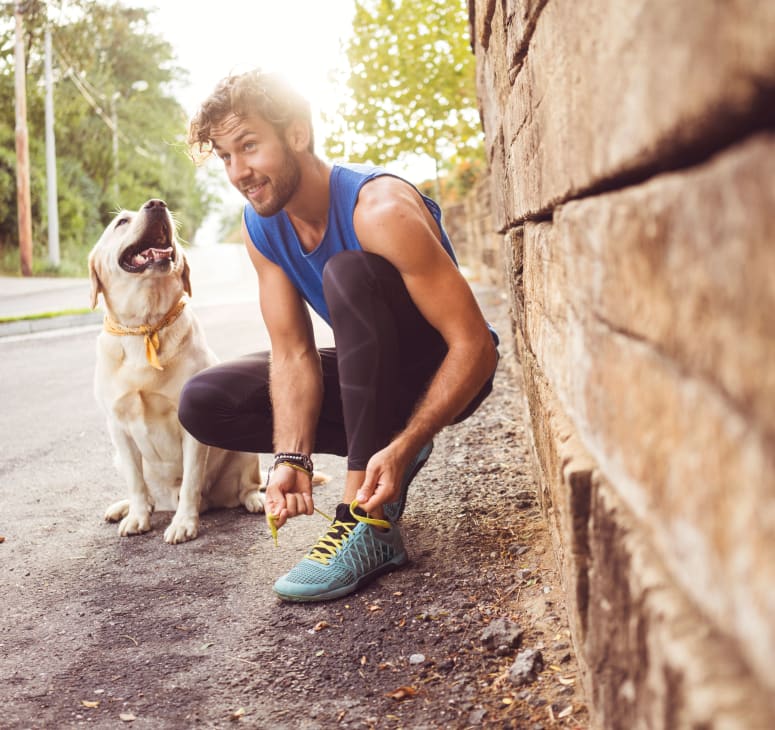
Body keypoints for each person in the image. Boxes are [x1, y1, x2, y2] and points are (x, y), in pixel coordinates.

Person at [179, 69, 499, 602]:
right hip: (371, 372)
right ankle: (377, 453)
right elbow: (293, 353)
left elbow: (476, 347)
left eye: (249, 146)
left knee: (347, 273)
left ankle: (365, 522)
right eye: (226, 156)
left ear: (297, 134)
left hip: (443, 371)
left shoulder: (380, 209)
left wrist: (408, 441)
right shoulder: (261, 226)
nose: (239, 171)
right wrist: (291, 459)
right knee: (205, 402)